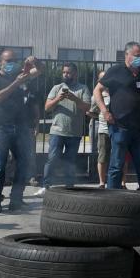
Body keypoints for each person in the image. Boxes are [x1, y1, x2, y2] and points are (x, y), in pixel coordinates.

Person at [93, 42, 140, 191]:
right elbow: (97, 91)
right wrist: (105, 111)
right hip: (120, 127)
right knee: (116, 165)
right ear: (127, 55)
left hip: (139, 129)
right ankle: (112, 199)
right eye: (137, 55)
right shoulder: (115, 71)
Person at [0, 50, 41, 213]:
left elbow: (39, 70)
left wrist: (35, 61)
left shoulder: (21, 75)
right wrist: (16, 83)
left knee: (23, 164)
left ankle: (16, 199)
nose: (12, 63)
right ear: (1, 62)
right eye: (8, 60)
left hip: (21, 127)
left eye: (14, 60)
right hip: (2, 127)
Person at [37, 63, 90, 194]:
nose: (66, 75)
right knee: (53, 158)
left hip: (74, 132)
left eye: (69, 72)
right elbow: (47, 107)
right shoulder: (57, 88)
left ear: (75, 74)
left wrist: (75, 99)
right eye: (64, 72)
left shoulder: (83, 88)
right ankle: (46, 185)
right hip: (57, 131)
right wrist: (58, 99)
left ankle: (69, 186)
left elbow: (87, 108)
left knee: (70, 161)